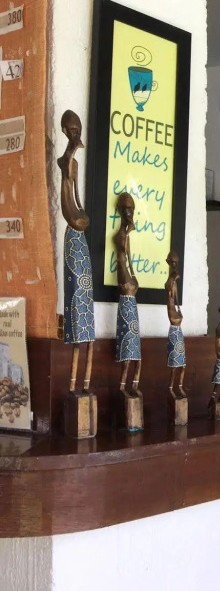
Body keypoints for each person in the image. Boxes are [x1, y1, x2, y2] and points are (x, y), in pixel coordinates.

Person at [58, 110, 95, 393]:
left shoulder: (75, 162)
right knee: (76, 317)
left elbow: (78, 199)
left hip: (80, 238)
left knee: (87, 323)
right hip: (73, 238)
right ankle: (73, 385)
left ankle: (85, 383)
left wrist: (81, 215)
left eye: (78, 130)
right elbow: (67, 202)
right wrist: (70, 152)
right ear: (64, 131)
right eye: (72, 130)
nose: (76, 135)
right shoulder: (65, 161)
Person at [114, 192, 141, 396]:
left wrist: (134, 275)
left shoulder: (126, 234)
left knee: (136, 354)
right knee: (127, 351)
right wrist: (128, 228)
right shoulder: (121, 234)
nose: (129, 213)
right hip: (125, 290)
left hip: (130, 297)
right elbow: (123, 251)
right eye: (126, 210)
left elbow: (130, 258)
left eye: (131, 209)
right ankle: (123, 386)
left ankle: (133, 386)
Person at [166, 250, 186, 398]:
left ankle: (179, 386)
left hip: (178, 330)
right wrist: (173, 277)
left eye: (176, 263)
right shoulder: (170, 281)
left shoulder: (173, 281)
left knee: (182, 365)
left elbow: (176, 299)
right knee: (174, 365)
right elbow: (170, 294)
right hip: (174, 328)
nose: (175, 266)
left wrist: (179, 310)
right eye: (172, 263)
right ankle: (171, 388)